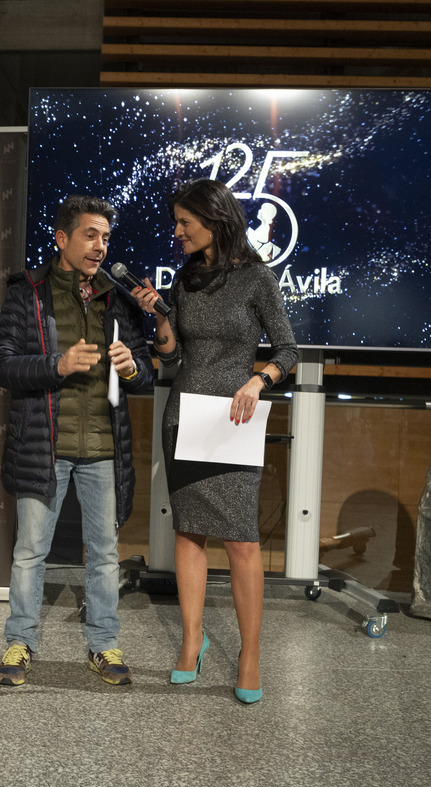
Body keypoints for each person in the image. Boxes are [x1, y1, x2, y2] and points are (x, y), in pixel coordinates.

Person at [132, 179, 298, 703]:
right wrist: (160, 317)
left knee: (243, 542)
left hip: (233, 423)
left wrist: (258, 380)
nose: (176, 231)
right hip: (185, 418)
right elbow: (172, 357)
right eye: (177, 222)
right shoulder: (186, 280)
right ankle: (192, 640)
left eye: (185, 222)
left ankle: (249, 655)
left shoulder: (256, 278)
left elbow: (288, 350)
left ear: (215, 221)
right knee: (189, 535)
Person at [0, 195, 153, 687]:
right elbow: (1, 364)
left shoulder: (117, 297)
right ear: (62, 238)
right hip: (47, 445)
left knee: (104, 554)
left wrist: (134, 367)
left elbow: (146, 370)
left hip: (104, 447)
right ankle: (19, 643)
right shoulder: (27, 293)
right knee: (30, 553)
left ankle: (103, 646)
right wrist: (56, 366)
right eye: (90, 235)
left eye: (105, 237)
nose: (100, 246)